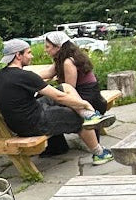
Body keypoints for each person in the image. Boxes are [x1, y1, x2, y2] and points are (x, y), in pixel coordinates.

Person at [0, 38, 115, 165]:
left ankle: (89, 115)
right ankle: (99, 153)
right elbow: (58, 97)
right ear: (18, 55)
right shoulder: (26, 76)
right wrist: (84, 104)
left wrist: (5, 94)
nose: (32, 56)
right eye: (28, 53)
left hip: (18, 122)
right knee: (78, 118)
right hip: (34, 123)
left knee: (64, 87)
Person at [36, 30, 110, 158]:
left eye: (48, 47)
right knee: (46, 99)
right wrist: (24, 77)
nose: (45, 50)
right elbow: (48, 73)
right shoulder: (64, 58)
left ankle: (58, 146)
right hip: (86, 94)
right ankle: (58, 145)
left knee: (48, 107)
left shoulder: (68, 62)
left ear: (58, 47)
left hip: (88, 97)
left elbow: (69, 89)